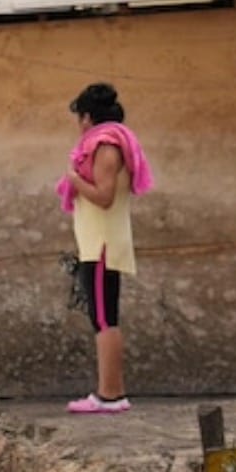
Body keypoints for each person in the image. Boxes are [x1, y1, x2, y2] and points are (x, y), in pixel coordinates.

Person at [56, 83, 153, 414]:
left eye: (79, 117)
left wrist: (73, 179)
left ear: (87, 118)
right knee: (104, 317)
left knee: (104, 318)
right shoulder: (112, 143)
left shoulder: (106, 148)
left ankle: (109, 395)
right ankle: (114, 391)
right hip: (99, 243)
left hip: (101, 246)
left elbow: (103, 195)